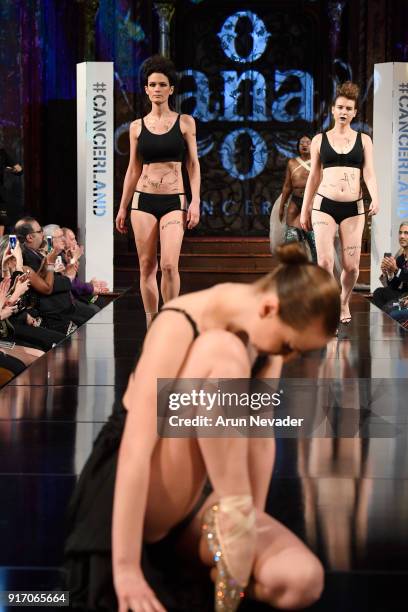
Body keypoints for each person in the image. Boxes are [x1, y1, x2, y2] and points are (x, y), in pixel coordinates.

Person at [64, 243, 340, 612]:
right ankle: (225, 519)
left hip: (200, 498)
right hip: (139, 491)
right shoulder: (181, 322)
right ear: (269, 308)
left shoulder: (264, 342)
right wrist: (126, 567)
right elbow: (135, 449)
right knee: (221, 352)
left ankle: (230, 530)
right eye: (290, 345)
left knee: (301, 580)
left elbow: (259, 441)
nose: (288, 356)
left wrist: (246, 529)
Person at [115, 55, 200, 328]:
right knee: (147, 266)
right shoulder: (137, 127)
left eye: (163, 84)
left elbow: (193, 164)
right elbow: (132, 169)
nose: (157, 89)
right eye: (152, 85)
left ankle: (171, 320)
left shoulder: (185, 122)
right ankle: (153, 325)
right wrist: (123, 206)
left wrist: (196, 201)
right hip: (143, 200)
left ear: (171, 89)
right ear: (146, 89)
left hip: (175, 200)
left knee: (169, 265)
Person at [300, 81, 379, 325]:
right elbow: (313, 176)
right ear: (333, 110)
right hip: (324, 204)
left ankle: (344, 299)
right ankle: (333, 304)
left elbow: (369, 173)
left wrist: (375, 197)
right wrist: (305, 210)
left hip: (353, 208)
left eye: (349, 108)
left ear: (355, 112)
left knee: (352, 267)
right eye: (340, 107)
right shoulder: (318, 140)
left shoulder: (364, 140)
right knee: (324, 261)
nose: (344, 112)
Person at [278, 135, 317, 262]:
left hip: (312, 201)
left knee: (314, 241)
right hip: (295, 200)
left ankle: (318, 272)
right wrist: (281, 206)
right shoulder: (292, 162)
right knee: (291, 239)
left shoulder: (319, 162)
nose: (304, 145)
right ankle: (292, 270)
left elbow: (322, 183)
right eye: (301, 143)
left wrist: (313, 202)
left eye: (307, 142)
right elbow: (287, 186)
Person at [371, 221, 408, 310]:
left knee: (389, 306)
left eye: (406, 233)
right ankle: (387, 318)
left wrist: (396, 270)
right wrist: (389, 273)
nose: (402, 236)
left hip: (405, 296)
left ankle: (388, 316)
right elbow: (394, 286)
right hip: (402, 294)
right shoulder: (400, 258)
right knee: (378, 292)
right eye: (400, 233)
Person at [0, 147, 23, 236]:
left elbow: (19, 170)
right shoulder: (2, 153)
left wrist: (7, 169)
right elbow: (19, 170)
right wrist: (7, 169)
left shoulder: (2, 153)